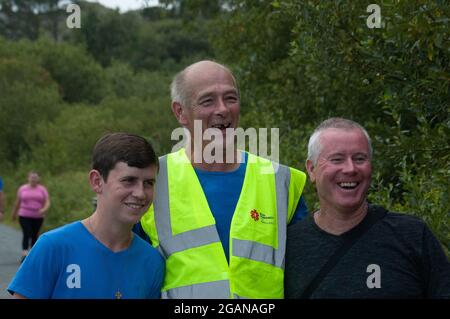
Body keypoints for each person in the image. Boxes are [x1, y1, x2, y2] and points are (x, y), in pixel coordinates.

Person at [137, 60, 308, 299]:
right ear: (180, 112)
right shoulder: (150, 181)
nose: (223, 109)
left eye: (231, 98)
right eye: (208, 101)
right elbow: (123, 271)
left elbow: (309, 271)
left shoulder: (281, 181)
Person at [285, 117, 450, 298]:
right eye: (337, 159)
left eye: (360, 158)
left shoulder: (412, 236)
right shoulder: (289, 246)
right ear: (311, 169)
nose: (350, 168)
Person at [7, 133, 165, 299]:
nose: (140, 193)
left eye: (149, 183)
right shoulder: (54, 247)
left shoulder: (152, 261)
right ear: (97, 181)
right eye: (128, 180)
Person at [11, 171, 50, 262]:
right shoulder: (22, 189)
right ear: (28, 178)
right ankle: (25, 253)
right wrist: (13, 213)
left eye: (35, 177)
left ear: (38, 179)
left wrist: (44, 209)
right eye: (32, 177)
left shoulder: (42, 189)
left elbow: (47, 201)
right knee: (27, 232)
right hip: (24, 214)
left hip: (38, 216)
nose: (33, 179)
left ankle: (32, 254)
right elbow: (18, 202)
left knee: (34, 234)